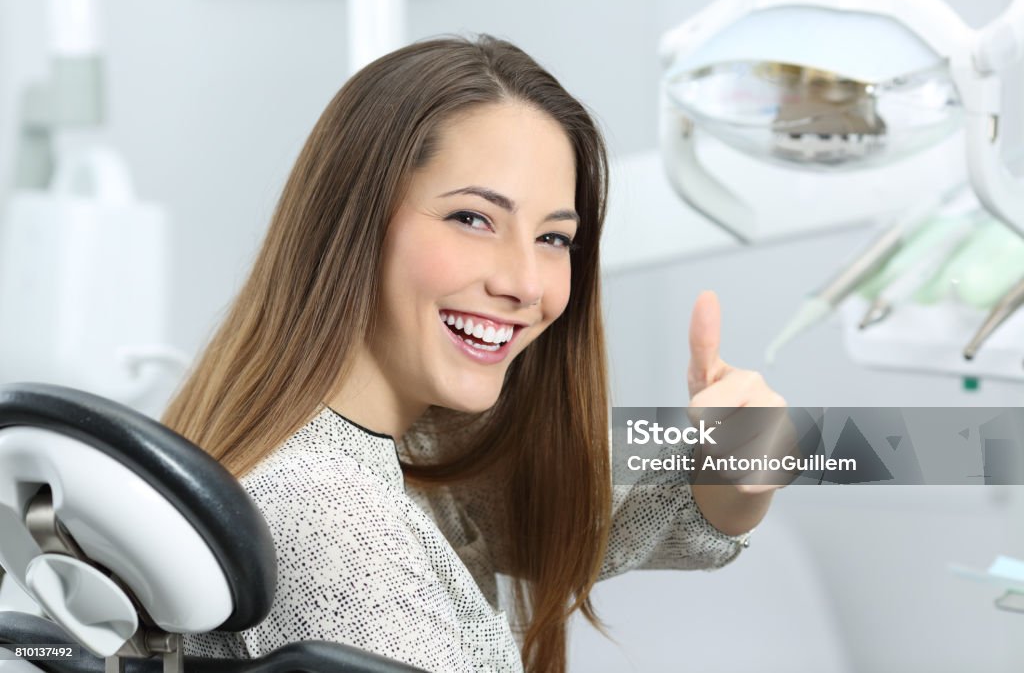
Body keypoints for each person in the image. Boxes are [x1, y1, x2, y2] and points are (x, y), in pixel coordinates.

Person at [167, 34, 786, 673]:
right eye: (472, 219)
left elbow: (586, 501)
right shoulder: (328, 513)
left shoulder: (415, 439)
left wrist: (749, 464)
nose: (523, 282)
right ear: (354, 221)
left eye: (553, 237)